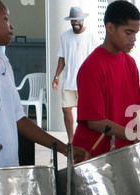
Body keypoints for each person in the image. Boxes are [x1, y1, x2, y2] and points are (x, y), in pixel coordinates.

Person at [0, 0, 88, 172]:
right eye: (6, 19)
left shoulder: (4, 63)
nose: (11, 26)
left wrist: (64, 148)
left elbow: (19, 119)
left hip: (7, 171)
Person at [72, 0, 140, 158]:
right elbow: (96, 121)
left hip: (122, 154)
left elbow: (137, 108)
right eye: (128, 32)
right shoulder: (91, 67)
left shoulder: (130, 64)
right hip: (94, 157)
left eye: (135, 33)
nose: (133, 39)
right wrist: (132, 135)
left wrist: (139, 135)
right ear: (110, 27)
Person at [52, 7, 99, 143]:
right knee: (66, 110)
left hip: (86, 83)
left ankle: (83, 139)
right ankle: (71, 141)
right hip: (68, 81)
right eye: (73, 21)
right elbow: (62, 58)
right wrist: (56, 76)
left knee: (84, 115)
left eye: (77, 20)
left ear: (83, 19)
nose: (75, 23)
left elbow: (96, 59)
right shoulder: (65, 36)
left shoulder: (91, 36)